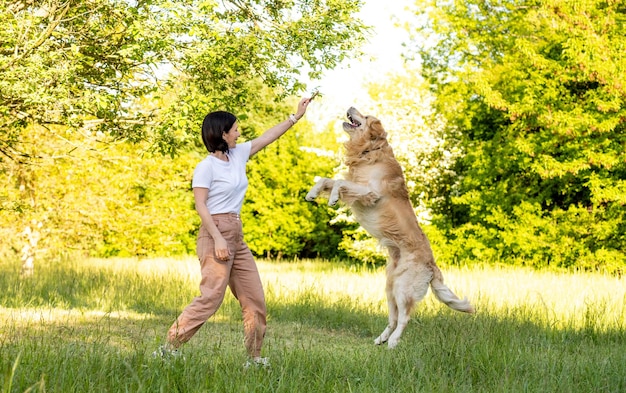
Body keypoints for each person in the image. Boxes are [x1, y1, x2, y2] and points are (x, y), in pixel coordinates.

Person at [154, 97, 313, 367]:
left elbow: (267, 138)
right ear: (223, 133)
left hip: (236, 234)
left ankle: (254, 358)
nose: (239, 133)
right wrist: (217, 238)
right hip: (214, 232)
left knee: (254, 298)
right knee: (211, 296)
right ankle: (169, 347)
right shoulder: (206, 166)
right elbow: (200, 206)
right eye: (235, 129)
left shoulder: (237, 155)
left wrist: (295, 117)